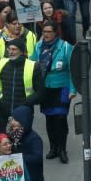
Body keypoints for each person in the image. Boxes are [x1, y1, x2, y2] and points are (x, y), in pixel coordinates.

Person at [31, 20, 74, 163]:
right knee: (49, 119)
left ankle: (62, 149)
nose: (46, 34)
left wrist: (73, 90)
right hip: (46, 88)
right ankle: (53, 148)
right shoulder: (38, 47)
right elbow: (31, 65)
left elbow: (73, 70)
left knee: (60, 118)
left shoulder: (66, 47)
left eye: (49, 32)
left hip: (62, 87)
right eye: (44, 32)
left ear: (56, 32)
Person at [0, 39, 43, 127]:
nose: (11, 52)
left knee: (22, 138)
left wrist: (26, 103)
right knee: (4, 138)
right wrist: (0, 104)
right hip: (4, 111)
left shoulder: (33, 66)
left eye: (14, 49)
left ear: (21, 51)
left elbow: (40, 91)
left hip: (23, 111)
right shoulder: (2, 63)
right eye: (9, 49)